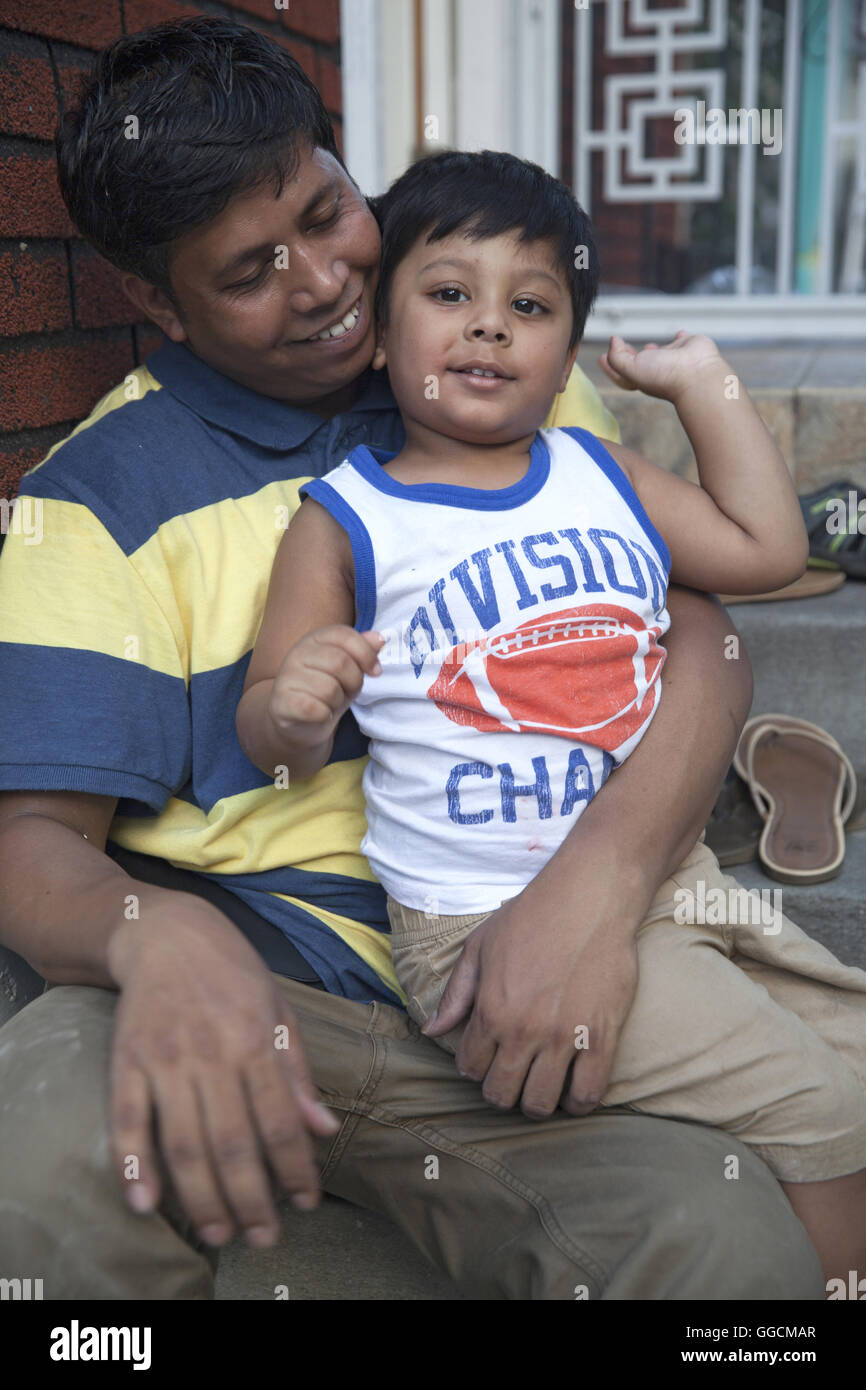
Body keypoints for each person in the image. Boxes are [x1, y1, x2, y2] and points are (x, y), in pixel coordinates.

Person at [0, 17, 826, 1300]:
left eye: (327, 212)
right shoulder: (96, 500)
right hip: (264, 981)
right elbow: (31, 844)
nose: (324, 279)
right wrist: (152, 937)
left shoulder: (503, 377)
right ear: (156, 300)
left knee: (727, 1248)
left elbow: (700, 635)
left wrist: (594, 895)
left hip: (534, 978)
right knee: (48, 1157)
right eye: (249, 269)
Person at [236, 148, 866, 1287]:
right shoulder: (346, 518)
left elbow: (770, 552)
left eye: (526, 307)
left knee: (852, 1058)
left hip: (656, 876)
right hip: (487, 933)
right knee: (820, 1108)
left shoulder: (597, 469)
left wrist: (701, 383)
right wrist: (293, 703)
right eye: (447, 296)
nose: (486, 329)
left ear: (564, 356)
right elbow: (263, 728)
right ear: (379, 336)